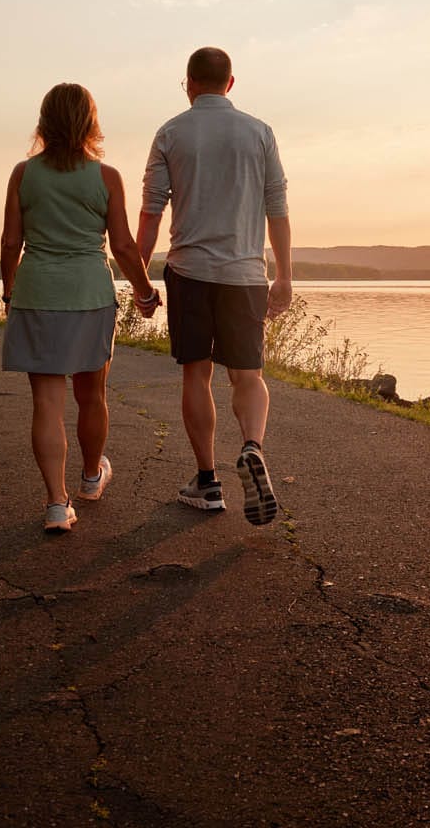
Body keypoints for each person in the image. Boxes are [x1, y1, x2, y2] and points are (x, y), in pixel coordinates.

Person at [138, 47, 292, 526]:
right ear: (230, 83)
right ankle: (251, 446)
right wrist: (284, 274)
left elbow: (151, 210)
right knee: (248, 375)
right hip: (246, 274)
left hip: (189, 271)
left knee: (196, 375)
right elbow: (277, 208)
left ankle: (207, 482)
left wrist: (139, 275)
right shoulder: (259, 132)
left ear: (188, 83)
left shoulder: (170, 133)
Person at [1, 83, 161, 533]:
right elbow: (125, 246)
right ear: (90, 123)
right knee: (91, 395)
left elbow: (12, 241)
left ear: (44, 120)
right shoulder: (106, 177)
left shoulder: (23, 173)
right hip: (89, 295)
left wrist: (11, 292)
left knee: (46, 403)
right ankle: (91, 478)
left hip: (38, 293)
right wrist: (146, 292)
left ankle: (56, 504)